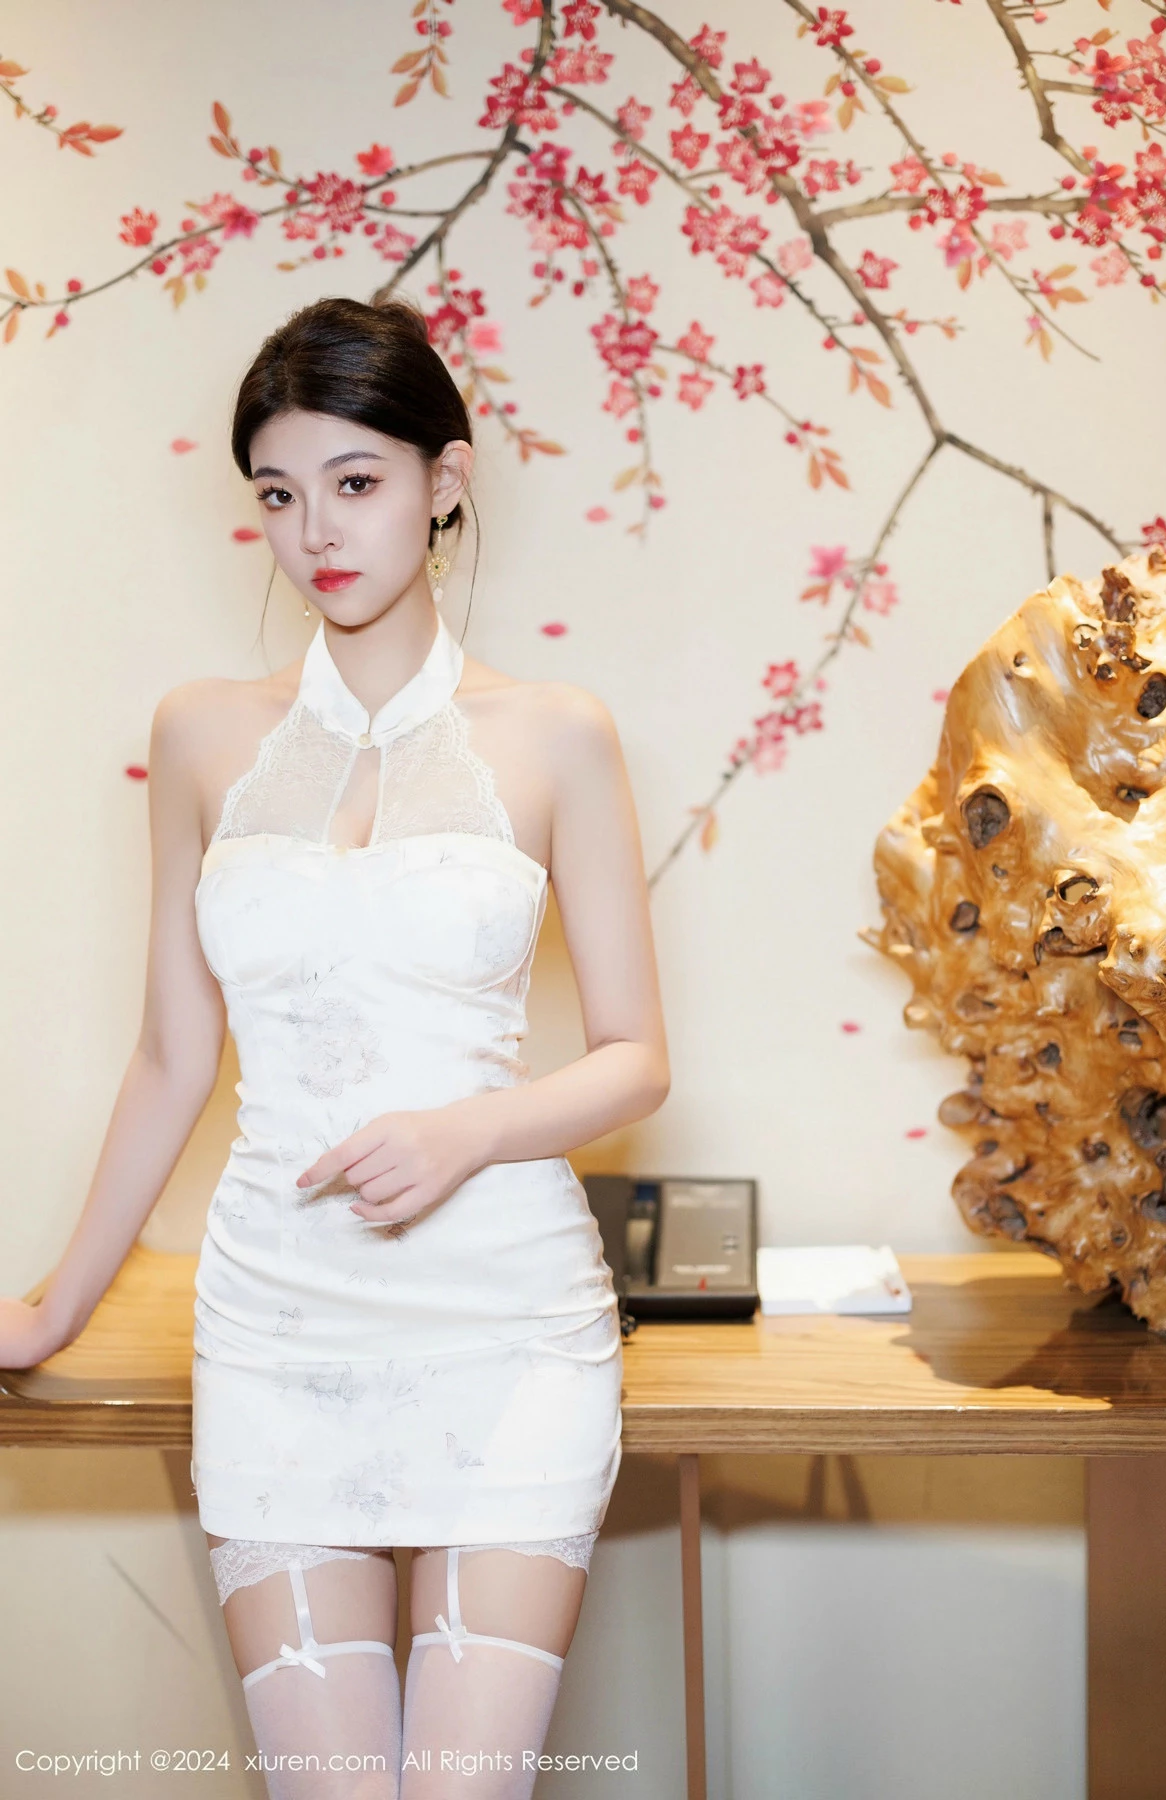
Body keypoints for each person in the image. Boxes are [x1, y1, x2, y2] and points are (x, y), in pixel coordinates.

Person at [0, 295, 671, 1796]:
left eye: (355, 481)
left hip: (507, 1328)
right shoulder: (200, 736)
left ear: (446, 479)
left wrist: (466, 1130)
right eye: (278, 494)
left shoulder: (557, 732)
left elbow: (636, 1056)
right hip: (277, 1328)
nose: (316, 532)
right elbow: (173, 1057)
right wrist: (47, 1309)